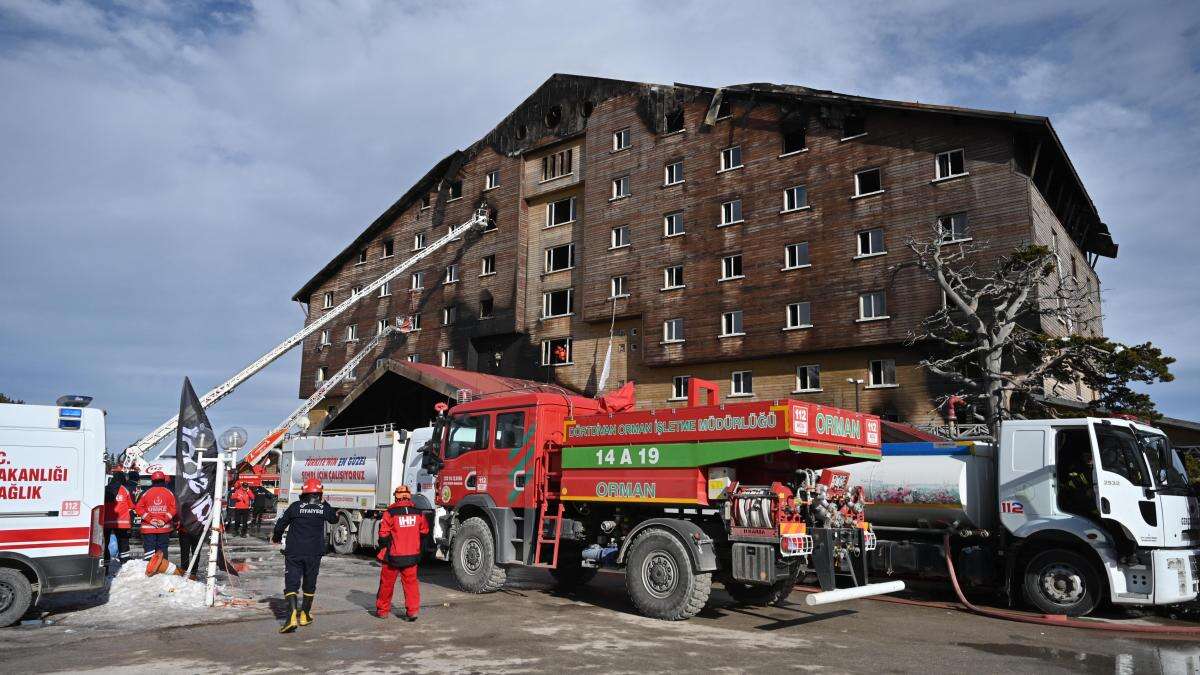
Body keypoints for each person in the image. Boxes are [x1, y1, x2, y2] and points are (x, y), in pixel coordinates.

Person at [272, 478, 337, 634]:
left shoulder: (295, 507)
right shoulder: (323, 509)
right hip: (314, 552)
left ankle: (291, 617)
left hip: (294, 551)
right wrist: (325, 503)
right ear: (319, 493)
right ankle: (305, 615)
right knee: (309, 583)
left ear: (304, 493)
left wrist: (276, 537)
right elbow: (334, 519)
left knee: (292, 583)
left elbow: (281, 524)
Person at [374, 485, 429, 621]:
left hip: (393, 557)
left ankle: (383, 611)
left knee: (386, 584)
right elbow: (424, 531)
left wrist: (385, 545)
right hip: (411, 556)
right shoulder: (418, 512)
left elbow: (383, 534)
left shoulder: (390, 512)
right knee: (411, 584)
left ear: (396, 496)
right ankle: (412, 611)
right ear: (409, 496)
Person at [134, 471, 176, 558]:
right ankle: (162, 568)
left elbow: (138, 508)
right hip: (163, 528)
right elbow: (174, 508)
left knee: (149, 551)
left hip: (148, 528)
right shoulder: (169, 493)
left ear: (152, 481)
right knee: (162, 550)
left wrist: (150, 520)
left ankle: (150, 569)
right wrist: (164, 520)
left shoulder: (146, 493)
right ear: (163, 480)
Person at [102, 467, 134, 565]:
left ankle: (106, 565)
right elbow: (131, 505)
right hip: (122, 522)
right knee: (123, 542)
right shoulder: (125, 490)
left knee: (105, 544)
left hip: (106, 522)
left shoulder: (105, 489)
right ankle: (124, 562)